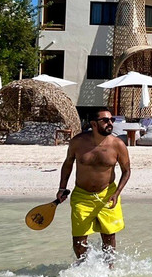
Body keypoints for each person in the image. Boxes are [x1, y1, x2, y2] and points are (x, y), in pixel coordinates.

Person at [56, 108, 131, 265]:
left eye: (112, 120)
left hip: (107, 194)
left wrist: (117, 193)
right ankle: (86, 267)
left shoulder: (118, 145)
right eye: (105, 120)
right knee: (79, 240)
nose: (110, 123)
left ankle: (108, 268)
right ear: (93, 124)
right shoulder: (77, 142)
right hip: (82, 196)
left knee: (109, 236)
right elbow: (68, 163)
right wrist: (62, 188)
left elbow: (126, 171)